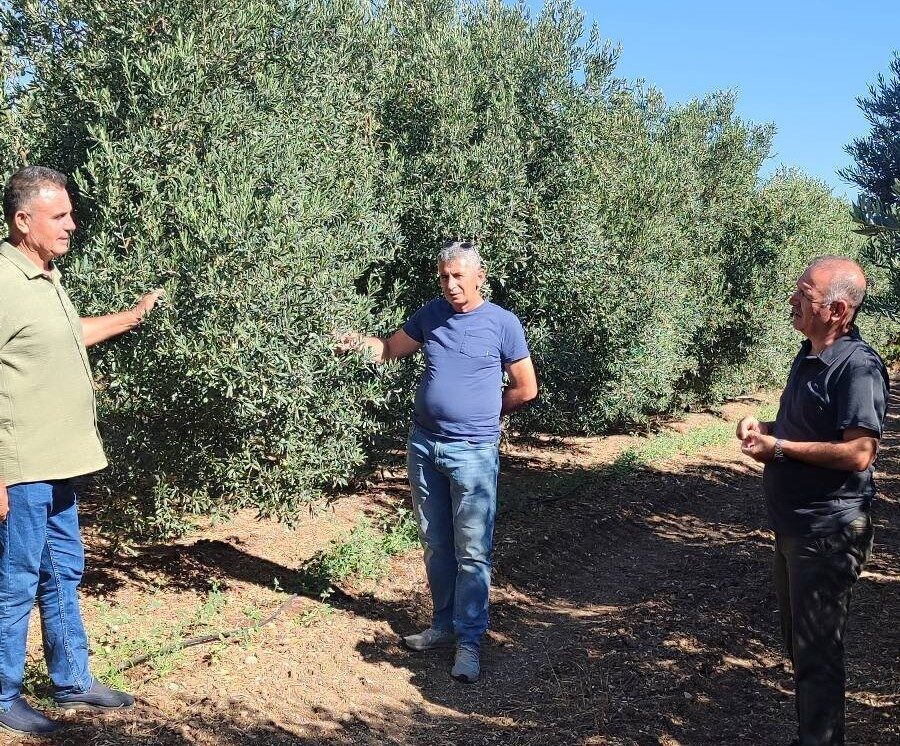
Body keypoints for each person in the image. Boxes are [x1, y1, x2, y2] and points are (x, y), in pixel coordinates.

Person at [0, 166, 163, 735]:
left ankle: (73, 681)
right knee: (17, 579)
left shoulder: (45, 276)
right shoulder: (2, 281)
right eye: (59, 216)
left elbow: (68, 334)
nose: (71, 225)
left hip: (63, 462)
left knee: (63, 571)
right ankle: (3, 694)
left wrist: (133, 316)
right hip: (22, 468)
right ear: (24, 222)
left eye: (70, 213)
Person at [337, 240, 537, 683]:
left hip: (473, 452)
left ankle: (469, 642)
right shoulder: (432, 314)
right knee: (436, 543)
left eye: (459, 276)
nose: (451, 284)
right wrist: (355, 344)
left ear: (479, 277)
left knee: (472, 553)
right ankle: (443, 626)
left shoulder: (502, 324)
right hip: (425, 446)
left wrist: (485, 411)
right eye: (445, 277)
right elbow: (389, 349)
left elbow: (526, 388)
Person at [736, 256, 889, 746]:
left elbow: (859, 452)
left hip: (827, 533)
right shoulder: (808, 356)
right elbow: (806, 433)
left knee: (818, 658)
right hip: (794, 529)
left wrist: (779, 448)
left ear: (838, 309)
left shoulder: (858, 367)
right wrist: (768, 431)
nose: (793, 300)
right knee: (802, 651)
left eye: (805, 293)